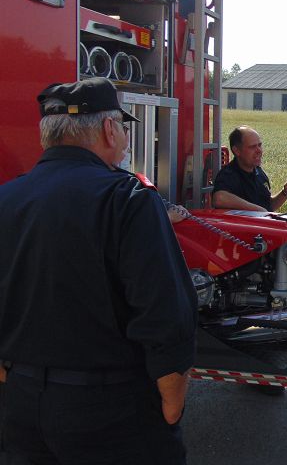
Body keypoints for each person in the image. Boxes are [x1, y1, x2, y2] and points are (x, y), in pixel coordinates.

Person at [0, 77, 197, 464]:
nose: (124, 138)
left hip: (20, 409)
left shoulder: (7, 198)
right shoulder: (129, 200)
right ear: (109, 129)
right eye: (122, 128)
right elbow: (166, 316)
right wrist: (172, 406)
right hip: (111, 413)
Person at [212, 125, 287, 211]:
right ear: (237, 151)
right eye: (252, 147)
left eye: (259, 145)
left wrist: (284, 193)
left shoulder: (259, 173)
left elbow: (267, 207)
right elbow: (219, 198)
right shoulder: (229, 175)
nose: (259, 150)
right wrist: (256, 210)